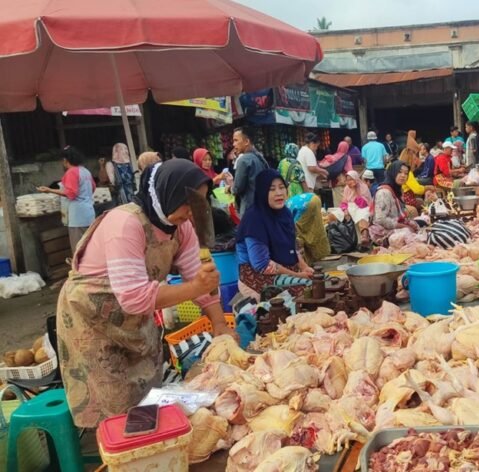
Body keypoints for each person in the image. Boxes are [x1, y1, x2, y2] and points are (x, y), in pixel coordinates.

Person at [56, 159, 232, 427]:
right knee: (113, 411)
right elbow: (135, 297)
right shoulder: (125, 224)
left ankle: (152, 448)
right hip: (92, 320)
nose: (193, 211)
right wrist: (195, 286)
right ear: (168, 193)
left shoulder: (181, 227)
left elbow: (201, 279)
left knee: (147, 402)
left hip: (135, 320)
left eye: (200, 201)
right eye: (189, 201)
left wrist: (220, 325)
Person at [236, 169, 315, 301]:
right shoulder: (254, 219)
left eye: (281, 187)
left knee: (321, 281)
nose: (279, 193)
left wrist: (305, 267)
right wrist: (298, 275)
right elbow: (262, 265)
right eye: (271, 189)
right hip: (258, 275)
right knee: (306, 291)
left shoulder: (285, 213)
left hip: (286, 269)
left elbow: (292, 248)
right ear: (262, 192)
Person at [37, 146, 96, 253]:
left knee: (79, 248)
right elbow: (93, 187)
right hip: (89, 213)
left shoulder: (71, 172)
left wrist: (49, 190)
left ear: (65, 160)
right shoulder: (85, 171)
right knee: (90, 246)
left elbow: (71, 193)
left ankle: (79, 269)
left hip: (77, 216)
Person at [369, 161, 419, 245]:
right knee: (408, 233)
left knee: (420, 222)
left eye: (406, 173)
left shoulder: (397, 190)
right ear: (392, 173)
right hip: (382, 232)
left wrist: (410, 223)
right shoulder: (384, 192)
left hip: (395, 225)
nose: (403, 175)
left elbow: (399, 215)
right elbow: (380, 219)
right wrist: (403, 226)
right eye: (399, 172)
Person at [232, 126, 270, 216]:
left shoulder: (243, 160)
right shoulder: (260, 157)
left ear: (246, 142)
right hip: (263, 207)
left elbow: (237, 188)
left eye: (236, 140)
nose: (233, 144)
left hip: (249, 209)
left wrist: (230, 187)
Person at [286, 192, 331, 265]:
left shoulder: (277, 212)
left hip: (305, 206)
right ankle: (313, 258)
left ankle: (305, 262)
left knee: (299, 235)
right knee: (315, 229)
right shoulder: (283, 205)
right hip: (314, 198)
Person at [341, 170, 373, 248]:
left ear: (356, 179)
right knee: (335, 214)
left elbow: (364, 204)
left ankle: (365, 235)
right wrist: (345, 209)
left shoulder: (363, 187)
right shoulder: (346, 189)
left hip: (363, 207)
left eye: (351, 179)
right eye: (347, 180)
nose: (349, 182)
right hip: (350, 207)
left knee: (362, 214)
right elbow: (344, 202)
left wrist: (356, 190)